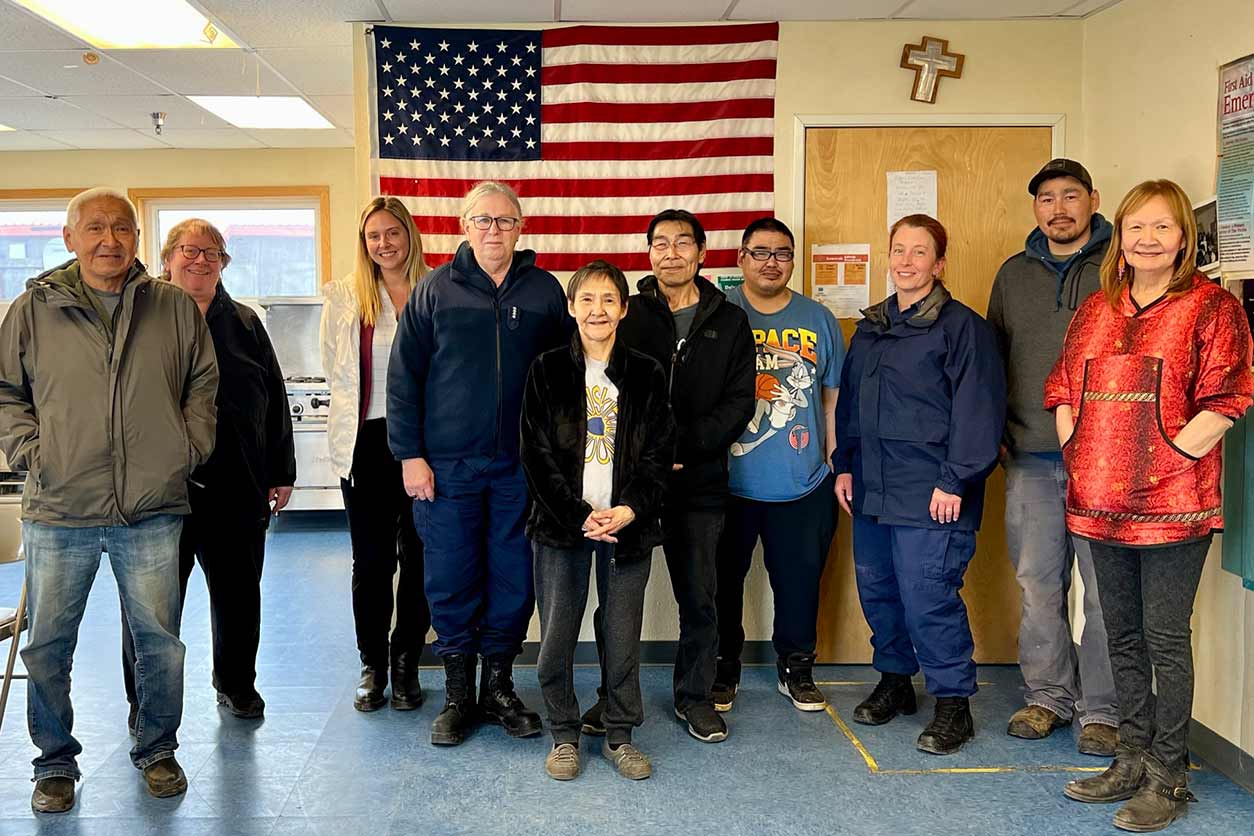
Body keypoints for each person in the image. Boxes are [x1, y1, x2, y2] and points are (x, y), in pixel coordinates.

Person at [0, 188, 218, 812]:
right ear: (69, 238)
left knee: (158, 642)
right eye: (94, 228)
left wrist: (185, 447)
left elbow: (202, 381)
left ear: (136, 238)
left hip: (150, 506)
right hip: (59, 506)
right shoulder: (33, 309)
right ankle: (54, 763)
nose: (109, 240)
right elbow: (5, 391)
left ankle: (157, 750)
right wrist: (32, 452)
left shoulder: (173, 307)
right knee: (47, 644)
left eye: (121, 228)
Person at [1048, 179, 1252, 832]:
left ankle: (1169, 775)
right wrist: (1077, 445)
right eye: (1136, 227)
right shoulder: (1096, 310)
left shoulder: (1212, 307)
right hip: (1100, 503)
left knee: (1165, 638)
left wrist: (1168, 457)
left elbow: (1228, 397)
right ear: (1120, 237)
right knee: (1122, 634)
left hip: (1175, 507)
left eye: (1163, 227)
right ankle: (1129, 758)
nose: (1148, 239)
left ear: (1184, 239)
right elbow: (1062, 387)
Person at [389, 181, 570, 746]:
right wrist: (410, 456)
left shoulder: (543, 291)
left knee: (514, 577)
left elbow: (567, 377)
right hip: (446, 466)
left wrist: (559, 456)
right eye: (483, 220)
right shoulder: (434, 290)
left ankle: (499, 687)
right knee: (450, 576)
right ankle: (459, 694)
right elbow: (404, 378)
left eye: (505, 221)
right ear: (463, 227)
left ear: (521, 227)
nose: (494, 230)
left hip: (522, 466)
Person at [581, 209, 755, 744]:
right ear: (649, 252)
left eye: (683, 243)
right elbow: (607, 389)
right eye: (661, 243)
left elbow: (739, 402)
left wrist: (680, 448)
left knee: (700, 598)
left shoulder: (728, 320)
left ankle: (696, 697)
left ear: (702, 252)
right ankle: (613, 696)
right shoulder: (627, 316)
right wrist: (649, 454)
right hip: (631, 486)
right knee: (616, 601)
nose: (671, 252)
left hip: (700, 485)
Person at [834, 214, 1005, 755]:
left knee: (928, 595)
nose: (906, 262)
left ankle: (953, 701)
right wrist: (844, 464)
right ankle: (895, 682)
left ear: (939, 264)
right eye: (898, 250)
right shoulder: (872, 328)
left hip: (933, 492)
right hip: (871, 489)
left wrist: (955, 481)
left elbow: (980, 412)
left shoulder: (963, 328)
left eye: (919, 252)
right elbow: (853, 405)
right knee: (879, 591)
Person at [121, 219, 295, 723]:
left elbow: (274, 400)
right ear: (167, 258)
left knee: (239, 597)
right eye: (190, 251)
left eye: (213, 253)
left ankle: (237, 684)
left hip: (237, 485)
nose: (201, 261)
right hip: (158, 491)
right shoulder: (139, 321)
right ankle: (146, 700)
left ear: (223, 264)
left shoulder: (244, 322)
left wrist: (280, 470)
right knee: (151, 608)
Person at [521, 260, 675, 782]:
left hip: (628, 527)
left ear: (624, 309)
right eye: (586, 299)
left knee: (622, 633)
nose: (597, 310)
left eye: (609, 299)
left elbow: (660, 453)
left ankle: (619, 733)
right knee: (558, 634)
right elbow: (535, 455)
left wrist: (630, 508)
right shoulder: (546, 370)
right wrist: (577, 516)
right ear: (571, 307)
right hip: (563, 528)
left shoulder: (647, 373)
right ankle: (563, 733)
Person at [987, 159, 1119, 756]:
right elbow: (992, 361)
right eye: (1046, 198)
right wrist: (994, 433)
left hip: (1108, 459)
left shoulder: (1121, 270)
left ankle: (1103, 710)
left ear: (1093, 199)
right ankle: (1047, 698)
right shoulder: (1012, 274)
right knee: (1038, 585)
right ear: (1035, 207)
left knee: (1102, 591)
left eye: (1071, 196)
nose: (1059, 208)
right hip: (1032, 455)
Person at [713, 218, 843, 713]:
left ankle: (797, 666)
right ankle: (725, 666)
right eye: (760, 252)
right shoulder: (721, 315)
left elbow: (831, 401)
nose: (771, 262)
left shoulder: (819, 319)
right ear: (741, 259)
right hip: (729, 483)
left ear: (793, 260)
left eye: (782, 253)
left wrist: (833, 462)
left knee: (799, 582)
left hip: (803, 480)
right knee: (721, 582)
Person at [321, 197, 432, 713]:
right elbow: (335, 374)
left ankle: (407, 659)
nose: (383, 243)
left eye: (392, 233)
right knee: (371, 561)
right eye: (373, 236)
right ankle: (373, 664)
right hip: (365, 444)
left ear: (408, 235)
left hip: (425, 446)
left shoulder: (435, 291)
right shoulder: (345, 296)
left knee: (421, 557)